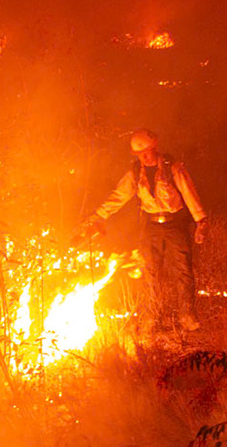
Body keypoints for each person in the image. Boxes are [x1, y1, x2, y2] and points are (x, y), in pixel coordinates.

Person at [79, 127, 207, 333]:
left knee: (183, 271)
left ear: (155, 148)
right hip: (152, 227)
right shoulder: (135, 173)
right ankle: (151, 317)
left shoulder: (172, 168)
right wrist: (99, 216)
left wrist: (201, 221)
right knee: (150, 272)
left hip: (176, 225)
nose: (145, 157)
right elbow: (118, 196)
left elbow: (189, 192)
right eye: (140, 154)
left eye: (148, 151)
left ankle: (187, 316)